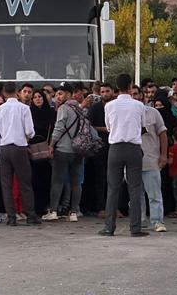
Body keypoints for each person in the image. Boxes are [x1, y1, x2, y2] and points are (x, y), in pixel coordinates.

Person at [99, 74, 147, 237]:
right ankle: (135, 228)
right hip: (133, 148)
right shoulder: (139, 106)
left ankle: (109, 227)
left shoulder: (109, 106)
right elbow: (142, 125)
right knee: (135, 188)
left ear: (116, 87)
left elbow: (108, 127)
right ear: (130, 85)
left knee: (113, 188)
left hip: (115, 148)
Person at [0, 82, 41, 226]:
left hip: (5, 148)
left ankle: (11, 216)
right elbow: (30, 131)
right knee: (25, 182)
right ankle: (30, 215)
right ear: (17, 92)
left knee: (6, 183)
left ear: (4, 93)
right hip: (20, 148)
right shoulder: (24, 108)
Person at [44, 82, 84, 222]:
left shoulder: (64, 108)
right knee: (76, 182)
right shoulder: (80, 108)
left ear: (68, 94)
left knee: (57, 181)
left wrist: (51, 144)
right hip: (78, 150)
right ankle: (74, 212)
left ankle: (53, 211)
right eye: (56, 95)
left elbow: (59, 127)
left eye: (60, 94)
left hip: (63, 149)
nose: (57, 97)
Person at [139, 94, 168, 232]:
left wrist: (163, 155)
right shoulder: (125, 114)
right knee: (135, 195)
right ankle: (138, 221)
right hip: (132, 161)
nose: (134, 97)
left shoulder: (153, 113)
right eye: (131, 94)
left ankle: (157, 221)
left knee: (154, 194)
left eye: (137, 94)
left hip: (151, 159)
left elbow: (163, 134)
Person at [85, 82, 114, 217]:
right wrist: (104, 129)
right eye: (102, 92)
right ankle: (101, 207)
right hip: (99, 147)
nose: (104, 94)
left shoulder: (115, 107)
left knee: (115, 178)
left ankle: (115, 207)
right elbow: (88, 125)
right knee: (100, 178)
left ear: (112, 91)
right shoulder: (95, 108)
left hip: (114, 146)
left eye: (107, 91)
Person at [30, 89, 55, 214]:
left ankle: (46, 206)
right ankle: (36, 207)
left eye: (40, 96)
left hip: (47, 149)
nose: (37, 99)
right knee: (35, 179)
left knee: (47, 179)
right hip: (33, 150)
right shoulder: (29, 113)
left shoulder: (50, 112)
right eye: (35, 97)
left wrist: (52, 145)